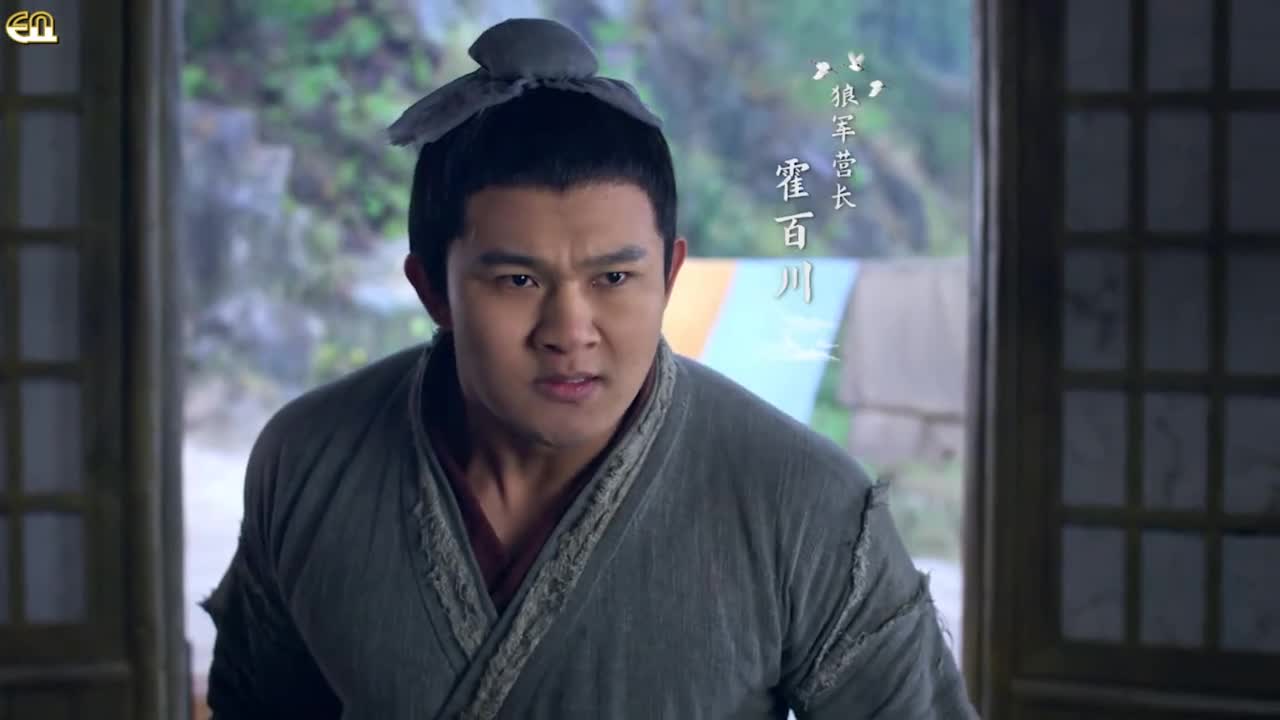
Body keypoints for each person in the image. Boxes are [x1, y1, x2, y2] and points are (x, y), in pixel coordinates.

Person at [202, 17, 978, 720]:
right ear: (432, 288)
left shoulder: (806, 506)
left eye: (613, 278)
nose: (570, 333)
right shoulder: (311, 459)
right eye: (518, 280)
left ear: (669, 275)